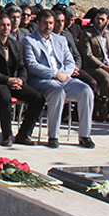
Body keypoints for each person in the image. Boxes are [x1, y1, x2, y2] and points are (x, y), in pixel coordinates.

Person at [23, 9, 95, 149]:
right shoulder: (29, 41)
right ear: (38, 23)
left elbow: (70, 61)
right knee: (58, 92)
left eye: (51, 23)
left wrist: (64, 74)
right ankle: (53, 136)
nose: (48, 26)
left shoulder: (60, 40)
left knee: (86, 91)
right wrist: (55, 74)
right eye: (45, 23)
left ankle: (85, 135)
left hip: (64, 78)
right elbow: (32, 65)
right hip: (43, 80)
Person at [0, 15, 45, 146]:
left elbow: (22, 67)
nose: (6, 28)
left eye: (8, 25)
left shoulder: (16, 45)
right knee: (5, 98)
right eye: (3, 25)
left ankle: (24, 134)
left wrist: (21, 80)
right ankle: (7, 136)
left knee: (38, 98)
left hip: (14, 82)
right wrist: (7, 80)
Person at [52, 10, 97, 92]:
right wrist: (69, 70)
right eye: (58, 21)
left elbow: (77, 55)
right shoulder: (49, 38)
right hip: (61, 69)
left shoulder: (67, 35)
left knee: (92, 82)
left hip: (74, 68)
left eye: (62, 21)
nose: (61, 24)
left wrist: (76, 66)